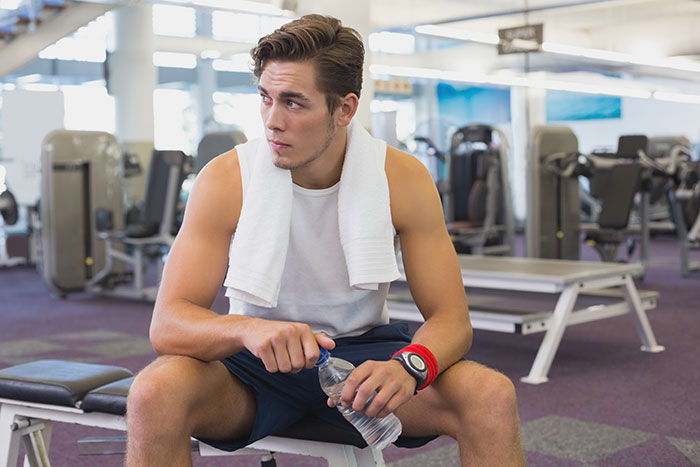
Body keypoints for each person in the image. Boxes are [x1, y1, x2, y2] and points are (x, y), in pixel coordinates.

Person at [126, 13, 525, 467]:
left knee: (489, 394)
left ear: (345, 109)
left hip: (365, 361)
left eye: (294, 103)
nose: (272, 121)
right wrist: (249, 329)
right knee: (154, 390)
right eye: (265, 98)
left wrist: (411, 366)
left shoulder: (403, 178)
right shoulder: (225, 179)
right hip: (253, 366)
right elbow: (168, 325)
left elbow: (452, 319)